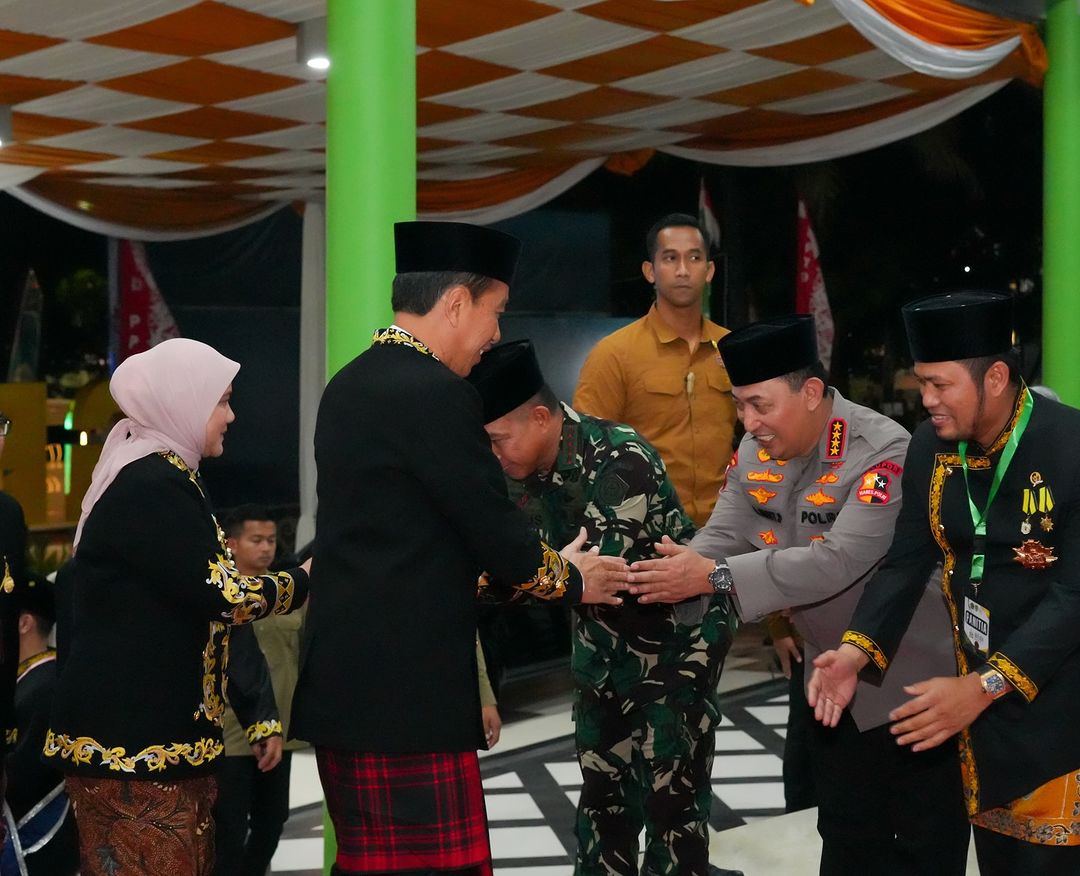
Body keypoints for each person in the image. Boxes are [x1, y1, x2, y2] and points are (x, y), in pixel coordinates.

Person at [291, 221, 628, 876]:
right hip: (409, 697)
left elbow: (404, 546)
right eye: (494, 312)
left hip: (344, 687)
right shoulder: (439, 395)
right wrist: (575, 577)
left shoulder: (348, 385)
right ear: (455, 303)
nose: (495, 334)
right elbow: (497, 535)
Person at [625, 315, 970, 875]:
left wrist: (712, 577)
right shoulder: (755, 450)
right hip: (829, 681)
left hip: (909, 681)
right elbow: (724, 532)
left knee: (922, 844)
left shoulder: (880, 449)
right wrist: (672, 570)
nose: (749, 422)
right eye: (739, 406)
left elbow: (838, 560)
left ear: (811, 392)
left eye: (760, 405)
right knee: (843, 834)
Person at [810, 291, 1080, 875]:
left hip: (1061, 706)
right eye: (922, 383)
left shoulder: (1071, 447)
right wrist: (855, 652)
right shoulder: (931, 447)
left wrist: (984, 686)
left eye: (940, 384)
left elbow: (1074, 598)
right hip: (979, 712)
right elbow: (906, 560)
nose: (926, 399)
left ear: (996, 378)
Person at [468, 340, 738, 876]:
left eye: (499, 439)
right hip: (601, 648)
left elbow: (596, 575)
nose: (494, 454)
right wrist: (545, 577)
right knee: (602, 801)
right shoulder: (509, 473)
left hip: (677, 646)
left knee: (672, 802)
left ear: (540, 418)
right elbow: (493, 577)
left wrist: (538, 576)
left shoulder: (619, 456)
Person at [46, 338, 310, 876]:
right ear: (182, 402)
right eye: (222, 401)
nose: (231, 416)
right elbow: (225, 596)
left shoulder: (164, 475)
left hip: (153, 743)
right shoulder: (152, 482)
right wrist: (303, 580)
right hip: (135, 747)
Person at [573, 213, 736, 528]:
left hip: (724, 529)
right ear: (650, 271)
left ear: (709, 270)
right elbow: (586, 450)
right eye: (670, 258)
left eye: (694, 258)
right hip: (644, 531)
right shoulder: (614, 354)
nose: (683, 270)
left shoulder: (733, 349)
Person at [214, 506, 308, 876]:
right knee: (229, 826)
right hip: (229, 733)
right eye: (257, 540)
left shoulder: (289, 593)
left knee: (273, 820)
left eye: (271, 540)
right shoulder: (219, 596)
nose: (267, 547)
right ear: (233, 544)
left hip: (280, 729)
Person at [1, 573, 78, 876]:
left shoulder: (45, 684)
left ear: (24, 623)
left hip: (37, 845)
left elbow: (29, 771)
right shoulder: (28, 678)